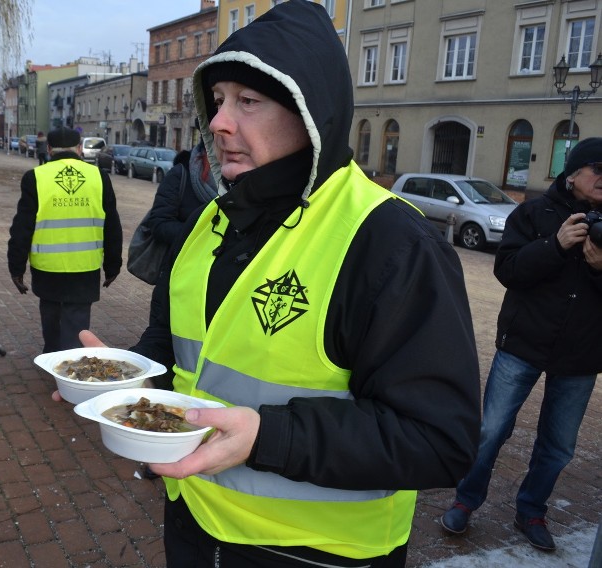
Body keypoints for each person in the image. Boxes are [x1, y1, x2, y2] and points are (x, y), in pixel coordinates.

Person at [55, 2, 481, 566]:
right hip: (195, 522)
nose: (218, 122)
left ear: (310, 114)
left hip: (317, 554)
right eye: (219, 100)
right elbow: (179, 348)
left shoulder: (391, 243)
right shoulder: (212, 221)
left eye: (248, 102)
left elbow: (439, 439)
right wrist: (125, 376)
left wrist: (269, 437)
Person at [439, 137, 602, 552]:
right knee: (491, 430)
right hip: (523, 344)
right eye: (598, 168)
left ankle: (531, 509)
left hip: (581, 355)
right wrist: (556, 245)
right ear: (572, 173)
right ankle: (466, 500)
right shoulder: (534, 213)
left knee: (559, 445)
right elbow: (508, 269)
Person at [7, 126, 122, 353]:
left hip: (47, 267)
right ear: (79, 148)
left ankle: (52, 358)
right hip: (85, 267)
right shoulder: (99, 177)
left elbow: (22, 227)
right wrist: (112, 265)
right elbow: (112, 226)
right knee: (78, 323)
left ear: (49, 149)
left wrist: (16, 267)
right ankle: (70, 369)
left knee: (50, 316)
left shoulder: (35, 178)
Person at [144, 139, 217, 255]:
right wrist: (202, 236)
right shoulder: (180, 174)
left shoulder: (241, 178)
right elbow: (159, 224)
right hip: (184, 262)